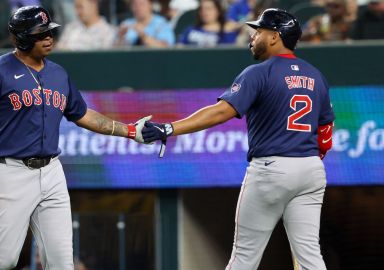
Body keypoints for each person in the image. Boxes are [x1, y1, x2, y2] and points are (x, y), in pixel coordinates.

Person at [0, 6, 149, 269]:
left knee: (61, 263)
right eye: (40, 33)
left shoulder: (58, 73)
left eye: (50, 31)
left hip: (51, 173)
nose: (49, 37)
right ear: (22, 37)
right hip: (9, 172)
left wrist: (129, 130)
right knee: (3, 260)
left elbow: (83, 114)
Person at [142, 8, 335, 270]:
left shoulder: (259, 72)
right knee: (310, 256)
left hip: (272, 169)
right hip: (310, 168)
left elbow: (221, 111)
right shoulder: (316, 75)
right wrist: (305, 160)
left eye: (259, 31)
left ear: (275, 36)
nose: (253, 36)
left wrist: (169, 128)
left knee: (244, 257)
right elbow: (325, 133)